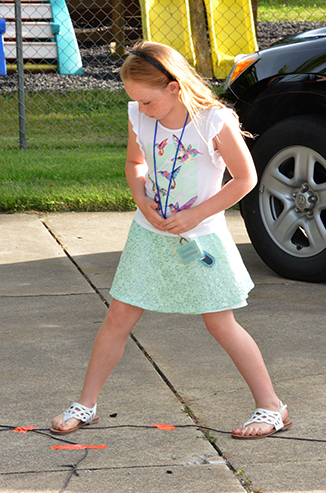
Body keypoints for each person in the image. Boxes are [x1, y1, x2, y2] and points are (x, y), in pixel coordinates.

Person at [51, 40, 292, 439]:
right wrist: (142, 199)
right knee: (118, 318)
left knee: (221, 324)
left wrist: (197, 214)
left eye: (147, 101)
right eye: (135, 102)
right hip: (149, 236)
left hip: (201, 240)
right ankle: (86, 404)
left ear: (173, 87)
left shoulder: (214, 121)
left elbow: (246, 179)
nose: (141, 110)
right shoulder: (139, 115)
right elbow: (135, 162)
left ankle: (272, 408)